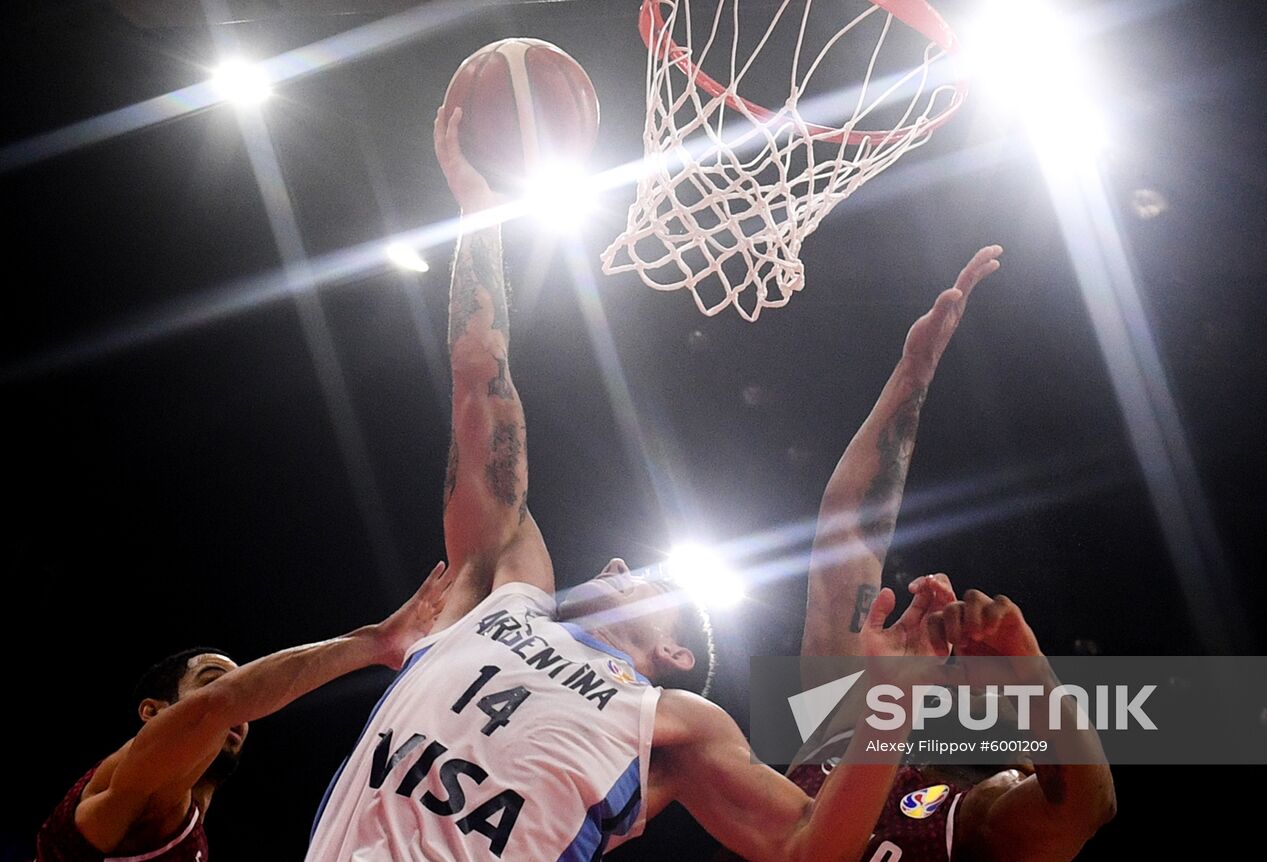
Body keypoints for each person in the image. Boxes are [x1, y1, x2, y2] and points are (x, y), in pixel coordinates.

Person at [301, 106, 943, 862]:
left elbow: (809, 848)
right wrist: (481, 212)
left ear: (673, 652)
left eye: (646, 579)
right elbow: (482, 387)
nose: (614, 565)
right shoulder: (503, 590)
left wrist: (889, 708)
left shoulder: (674, 721)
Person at [788, 247, 1117, 860]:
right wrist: (915, 372)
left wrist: (1029, 672)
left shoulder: (972, 820)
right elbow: (847, 536)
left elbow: (1085, 809)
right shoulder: (840, 739)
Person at [35, 563, 457, 862]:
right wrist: (377, 642)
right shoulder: (136, 790)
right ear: (153, 711)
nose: (240, 710)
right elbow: (220, 706)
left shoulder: (191, 816)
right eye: (211, 678)